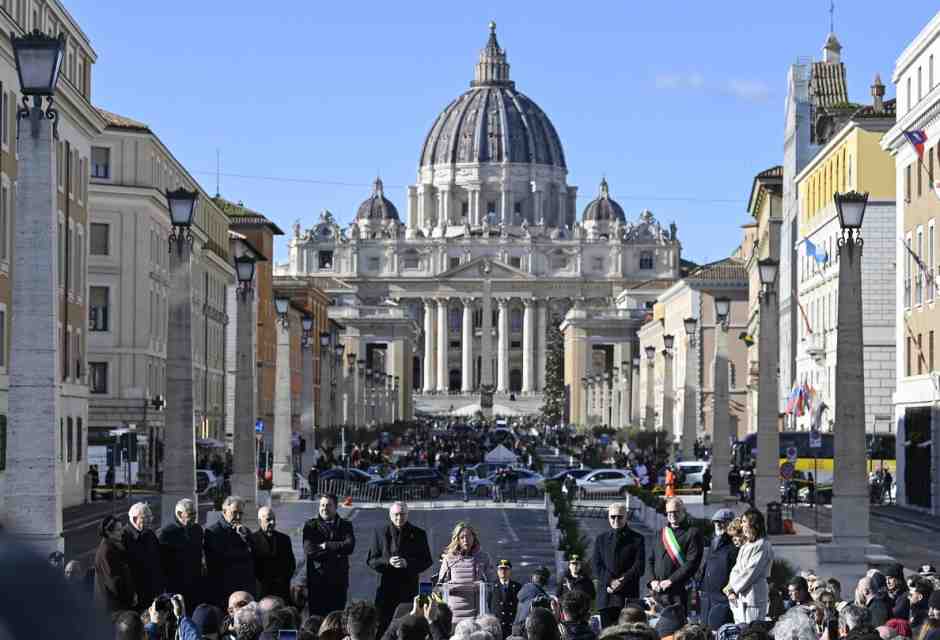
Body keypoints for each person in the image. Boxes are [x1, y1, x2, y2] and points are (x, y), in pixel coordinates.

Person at [366, 502, 433, 636]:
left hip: (408, 590)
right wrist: (388, 562)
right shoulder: (379, 533)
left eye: (402, 514)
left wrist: (407, 563)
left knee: (408, 626)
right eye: (396, 514)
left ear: (407, 515)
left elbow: (427, 561)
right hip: (385, 590)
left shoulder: (419, 534)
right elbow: (371, 560)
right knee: (383, 626)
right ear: (390, 515)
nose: (399, 518)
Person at [648, 497, 702, 625]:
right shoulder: (660, 533)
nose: (672, 515)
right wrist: (652, 580)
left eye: (676, 512)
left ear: (683, 511)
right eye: (669, 512)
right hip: (658, 593)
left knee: (678, 629)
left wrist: (671, 580)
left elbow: (692, 563)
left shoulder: (692, 533)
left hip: (680, 592)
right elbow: (650, 560)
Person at [303, 493, 356, 616]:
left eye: (328, 505)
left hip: (338, 583)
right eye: (322, 505)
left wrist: (326, 545)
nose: (324, 508)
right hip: (317, 583)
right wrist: (338, 550)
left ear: (336, 507)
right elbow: (310, 551)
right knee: (317, 621)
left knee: (336, 621)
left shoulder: (345, 525)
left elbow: (349, 546)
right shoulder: (311, 526)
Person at [594, 502, 645, 628]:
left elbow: (639, 566)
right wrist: (610, 581)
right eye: (613, 516)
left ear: (626, 517)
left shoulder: (637, 539)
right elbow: (597, 565)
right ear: (608, 517)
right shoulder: (601, 539)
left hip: (627, 596)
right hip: (607, 596)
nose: (616, 519)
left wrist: (621, 581)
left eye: (620, 516)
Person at [204, 495, 256, 607]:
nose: (238, 517)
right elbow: (217, 560)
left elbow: (255, 555)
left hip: (245, 589)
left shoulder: (245, 531)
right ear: (224, 511)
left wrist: (245, 537)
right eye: (234, 512)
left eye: (240, 513)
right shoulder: (213, 532)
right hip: (224, 590)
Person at [437, 521, 494, 623]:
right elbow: (439, 586)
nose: (465, 540)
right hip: (454, 614)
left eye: (468, 536)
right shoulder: (449, 559)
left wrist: (482, 585)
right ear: (457, 539)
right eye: (462, 537)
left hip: (477, 613)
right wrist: (449, 586)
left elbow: (492, 584)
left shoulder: (483, 557)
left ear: (474, 537)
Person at [724, 509, 774, 623]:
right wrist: (730, 590)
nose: (742, 525)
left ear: (754, 524)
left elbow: (750, 573)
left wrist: (733, 589)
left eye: (744, 521)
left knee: (752, 632)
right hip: (739, 597)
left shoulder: (762, 545)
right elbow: (735, 569)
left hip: (753, 598)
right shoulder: (746, 545)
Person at [158, 498, 205, 611]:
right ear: (179, 514)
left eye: (195, 513)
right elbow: (162, 562)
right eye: (191, 514)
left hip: (195, 582)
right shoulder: (167, 533)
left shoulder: (197, 530)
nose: (194, 517)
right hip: (176, 584)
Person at [696, 508, 738, 629]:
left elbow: (735, 572)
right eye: (716, 522)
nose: (718, 524)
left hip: (722, 598)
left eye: (722, 521)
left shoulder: (734, 544)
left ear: (730, 523)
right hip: (706, 597)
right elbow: (707, 565)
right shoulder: (714, 540)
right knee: (704, 631)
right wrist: (701, 584)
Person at [123, 501, 165, 612]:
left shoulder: (150, 534)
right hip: (135, 595)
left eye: (150, 517)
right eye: (146, 517)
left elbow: (158, 561)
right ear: (135, 518)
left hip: (152, 593)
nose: (150, 520)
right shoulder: (124, 537)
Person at [250, 506, 296, 602]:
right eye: (268, 520)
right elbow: (252, 566)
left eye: (274, 519)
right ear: (259, 521)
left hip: (282, 590)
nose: (272, 522)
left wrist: (283, 579)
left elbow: (291, 564)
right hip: (262, 590)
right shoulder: (252, 540)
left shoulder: (284, 539)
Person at [95, 514, 137, 613]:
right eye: (118, 530)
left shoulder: (113, 547)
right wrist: (130, 597)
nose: (122, 532)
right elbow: (114, 582)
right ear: (108, 533)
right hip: (114, 607)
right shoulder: (107, 552)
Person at [492, 559, 522, 639]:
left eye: (506, 569)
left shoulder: (517, 587)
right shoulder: (492, 586)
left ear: (510, 571)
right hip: (497, 626)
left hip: (511, 625)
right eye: (500, 569)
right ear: (497, 571)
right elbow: (489, 604)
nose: (503, 571)